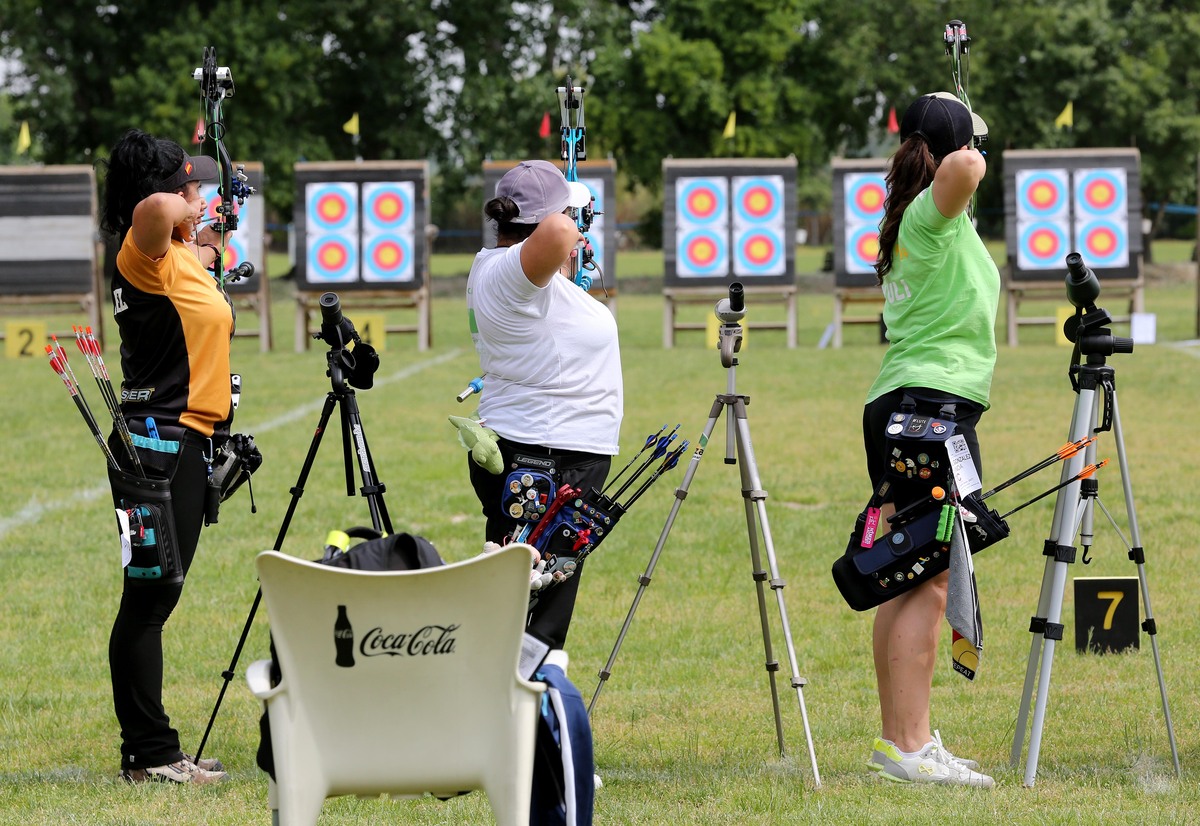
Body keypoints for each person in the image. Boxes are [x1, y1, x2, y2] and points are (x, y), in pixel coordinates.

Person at [861, 93, 998, 787]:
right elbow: (966, 170)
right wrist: (961, 132)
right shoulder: (931, 213)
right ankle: (910, 748)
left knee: (904, 576)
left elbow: (960, 171)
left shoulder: (924, 219)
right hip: (928, 411)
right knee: (928, 580)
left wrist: (955, 126)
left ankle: (901, 742)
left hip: (912, 407)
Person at [98, 128, 236, 784]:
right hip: (158, 443)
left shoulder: (176, 255)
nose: (192, 195)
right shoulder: (140, 244)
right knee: (149, 597)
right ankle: (151, 754)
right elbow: (155, 214)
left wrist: (212, 229)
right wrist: (190, 204)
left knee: (159, 593)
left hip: (184, 440)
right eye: (185, 184)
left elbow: (200, 260)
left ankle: (150, 750)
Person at [466, 160, 623, 650]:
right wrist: (567, 212)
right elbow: (556, 231)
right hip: (545, 457)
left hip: (551, 451)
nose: (576, 232)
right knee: (537, 611)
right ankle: (523, 711)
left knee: (536, 595)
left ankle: (521, 710)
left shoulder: (518, 275)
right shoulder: (509, 273)